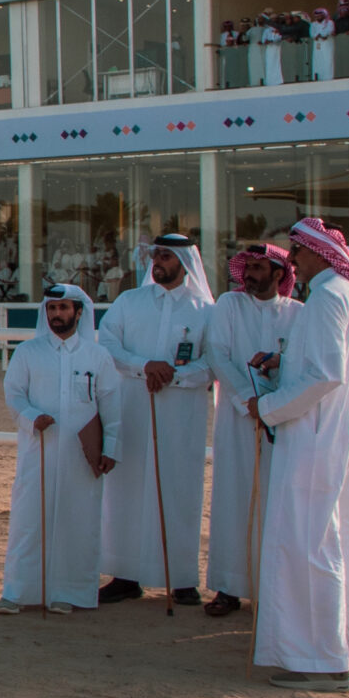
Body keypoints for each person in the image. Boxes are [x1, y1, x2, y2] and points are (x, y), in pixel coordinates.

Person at [246, 218, 349, 691]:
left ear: (320, 253)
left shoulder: (328, 296)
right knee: (343, 536)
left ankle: (322, 660)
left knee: (310, 538)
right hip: (344, 423)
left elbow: (325, 375)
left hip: (321, 428)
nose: (293, 263)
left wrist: (268, 406)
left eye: (297, 254)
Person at [96, 235, 215, 605]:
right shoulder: (130, 301)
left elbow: (214, 363)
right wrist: (144, 366)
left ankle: (180, 578)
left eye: (166, 256)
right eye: (156, 255)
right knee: (127, 489)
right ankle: (125, 574)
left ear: (185, 262)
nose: (158, 262)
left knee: (179, 490)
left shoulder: (205, 310)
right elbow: (108, 344)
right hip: (132, 409)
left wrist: (172, 376)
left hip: (181, 416)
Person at [0, 285, 121, 615]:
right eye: (52, 309)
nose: (57, 315)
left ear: (78, 312)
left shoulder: (98, 356)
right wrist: (30, 417)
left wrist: (111, 446)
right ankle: (19, 592)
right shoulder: (28, 352)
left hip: (82, 454)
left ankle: (70, 592)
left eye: (64, 308)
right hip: (39, 449)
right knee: (29, 518)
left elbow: (111, 404)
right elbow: (14, 395)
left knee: (78, 520)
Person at [203, 242, 300, 616]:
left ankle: (272, 589)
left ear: (279, 274)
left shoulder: (298, 314)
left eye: (261, 267)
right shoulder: (230, 305)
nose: (252, 274)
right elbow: (218, 354)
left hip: (281, 420)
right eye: (250, 267)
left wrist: (274, 396)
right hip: (238, 416)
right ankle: (228, 586)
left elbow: (303, 360)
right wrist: (249, 400)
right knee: (233, 496)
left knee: (275, 501)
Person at [309, 8, 335, 81]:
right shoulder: (313, 24)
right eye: (316, 16)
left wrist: (321, 35)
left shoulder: (330, 22)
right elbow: (312, 34)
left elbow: (328, 32)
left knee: (328, 60)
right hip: (317, 45)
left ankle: (328, 77)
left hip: (327, 45)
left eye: (320, 15)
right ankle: (317, 77)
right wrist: (319, 35)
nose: (318, 17)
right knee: (317, 61)